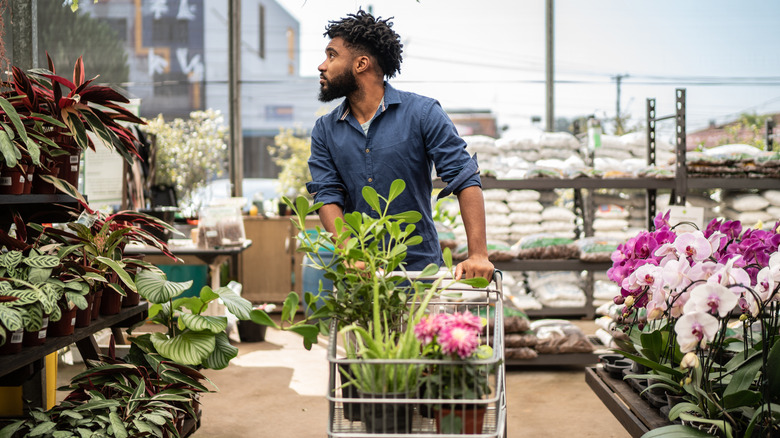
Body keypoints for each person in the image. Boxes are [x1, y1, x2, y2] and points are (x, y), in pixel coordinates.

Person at [306, 10, 493, 281]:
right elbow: (327, 195)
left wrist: (478, 254)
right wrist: (350, 253)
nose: (322, 66)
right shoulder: (325, 130)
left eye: (332, 55)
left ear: (361, 64)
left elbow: (464, 178)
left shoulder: (423, 113)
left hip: (420, 272)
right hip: (362, 277)